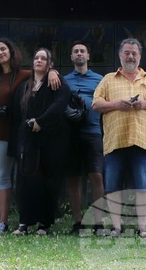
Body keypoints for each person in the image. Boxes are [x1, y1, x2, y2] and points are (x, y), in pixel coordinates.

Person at [0, 38, 60, 233]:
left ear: (11, 51)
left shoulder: (23, 75)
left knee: (2, 176)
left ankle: (3, 222)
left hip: (4, 131)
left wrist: (53, 71)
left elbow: (41, 72)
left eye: (3, 49)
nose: (0, 53)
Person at [91, 37, 146, 238]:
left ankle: (142, 229)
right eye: (127, 53)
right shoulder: (108, 79)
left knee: (142, 187)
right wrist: (116, 104)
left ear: (140, 56)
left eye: (134, 53)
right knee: (113, 187)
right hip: (115, 141)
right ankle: (116, 228)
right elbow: (96, 104)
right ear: (120, 55)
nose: (130, 56)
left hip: (141, 140)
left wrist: (144, 104)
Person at [8, 48, 71, 235]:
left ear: (50, 64)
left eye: (44, 58)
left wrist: (41, 122)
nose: (39, 61)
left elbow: (59, 106)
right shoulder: (24, 87)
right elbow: (17, 116)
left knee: (49, 181)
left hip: (52, 140)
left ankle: (44, 224)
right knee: (26, 181)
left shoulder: (57, 83)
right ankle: (24, 223)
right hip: (28, 141)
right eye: (36, 57)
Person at [62, 41, 105, 235]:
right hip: (71, 133)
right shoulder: (64, 80)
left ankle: (98, 223)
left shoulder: (99, 79)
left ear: (88, 56)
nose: (79, 54)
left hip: (93, 131)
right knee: (73, 177)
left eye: (82, 51)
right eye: (76, 51)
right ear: (71, 57)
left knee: (96, 175)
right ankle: (78, 222)